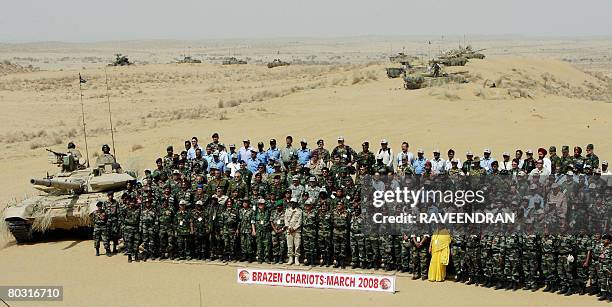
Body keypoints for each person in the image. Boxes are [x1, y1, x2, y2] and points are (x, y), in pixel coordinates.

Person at [284, 197, 302, 265]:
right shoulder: (287, 210)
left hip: (296, 230)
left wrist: (294, 228)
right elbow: (285, 219)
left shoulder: (299, 211)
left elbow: (299, 222)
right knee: (290, 245)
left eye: (294, 203)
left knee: (297, 245)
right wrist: (288, 227)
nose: (293, 204)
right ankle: (290, 258)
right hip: (289, 230)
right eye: (292, 203)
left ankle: (296, 259)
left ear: (296, 204)